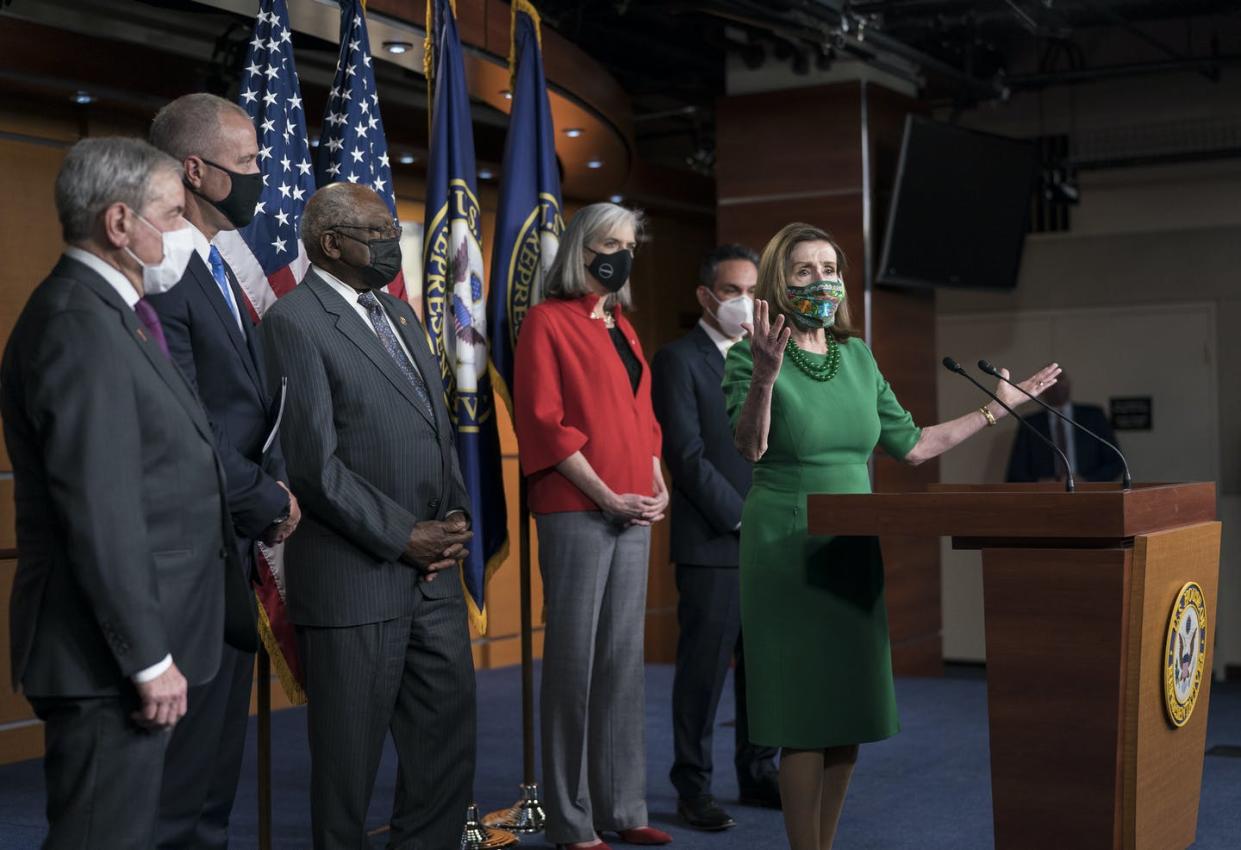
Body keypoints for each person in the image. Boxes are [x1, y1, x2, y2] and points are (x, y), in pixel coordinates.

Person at [725, 222, 1060, 850]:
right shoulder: (751, 354)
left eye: (829, 268)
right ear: (778, 281)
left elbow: (913, 445)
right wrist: (767, 376)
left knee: (849, 711)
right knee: (805, 716)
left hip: (853, 544)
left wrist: (997, 406)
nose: (820, 280)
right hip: (787, 544)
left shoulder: (857, 356)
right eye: (804, 270)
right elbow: (750, 446)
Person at [1, 137, 239, 850]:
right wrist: (146, 658)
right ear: (118, 224)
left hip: (135, 642)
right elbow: (100, 511)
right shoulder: (78, 324)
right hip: (106, 657)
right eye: (170, 213)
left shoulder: (117, 315)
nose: (182, 230)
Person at [262, 182, 476, 849]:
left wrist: (456, 518)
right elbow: (311, 466)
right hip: (354, 576)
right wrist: (401, 536)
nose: (392, 242)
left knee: (445, 742)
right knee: (347, 765)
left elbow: (434, 429)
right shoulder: (292, 322)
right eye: (380, 230)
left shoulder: (401, 316)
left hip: (433, 575)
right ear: (332, 243)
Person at [146, 91, 301, 849]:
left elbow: (249, 406)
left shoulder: (215, 269)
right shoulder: (163, 280)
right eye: (245, 166)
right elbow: (185, 421)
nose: (259, 180)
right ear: (196, 171)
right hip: (188, 554)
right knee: (175, 785)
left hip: (231, 546)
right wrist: (263, 494)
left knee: (213, 776)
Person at [513, 202, 672, 849]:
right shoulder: (546, 323)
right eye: (610, 241)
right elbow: (544, 422)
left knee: (620, 662)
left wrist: (656, 482)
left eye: (630, 243)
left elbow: (645, 420)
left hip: (636, 509)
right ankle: (570, 818)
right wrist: (606, 493)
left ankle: (623, 806)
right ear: (581, 247)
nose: (621, 253)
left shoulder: (624, 327)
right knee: (574, 664)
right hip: (578, 508)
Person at [650, 244, 779, 832]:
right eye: (733, 291)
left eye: (754, 290)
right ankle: (692, 787)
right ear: (706, 296)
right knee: (702, 674)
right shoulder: (679, 360)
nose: (745, 302)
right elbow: (687, 456)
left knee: (765, 668)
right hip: (714, 542)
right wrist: (746, 517)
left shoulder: (769, 358)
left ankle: (758, 774)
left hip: (772, 542)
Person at [1005, 370, 1123, 483]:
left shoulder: (1093, 416)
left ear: (1069, 383)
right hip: (1046, 495)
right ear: (1040, 390)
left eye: (1060, 379)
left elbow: (1116, 462)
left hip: (1089, 491)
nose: (1056, 385)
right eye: (1049, 381)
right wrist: (1041, 483)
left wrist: (1086, 481)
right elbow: (1015, 473)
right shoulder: (1030, 423)